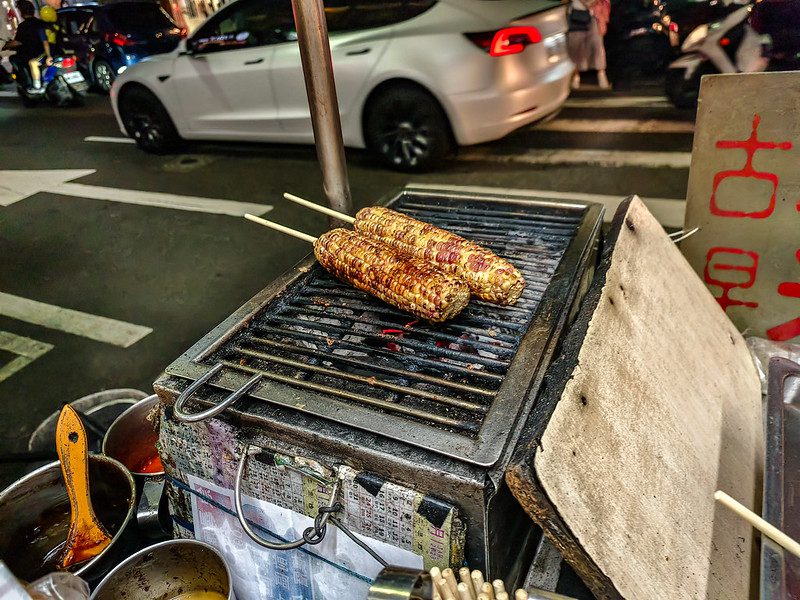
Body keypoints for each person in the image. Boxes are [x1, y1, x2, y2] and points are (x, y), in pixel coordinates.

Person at [567, 0, 611, 90]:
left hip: (594, 14)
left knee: (597, 45)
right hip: (576, 14)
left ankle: (601, 75)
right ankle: (576, 77)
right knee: (576, 46)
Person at [12, 0, 51, 93]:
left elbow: (44, 42)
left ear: (22, 12)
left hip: (40, 54)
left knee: (30, 62)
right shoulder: (40, 23)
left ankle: (37, 86)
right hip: (43, 52)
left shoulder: (23, 26)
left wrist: (49, 56)